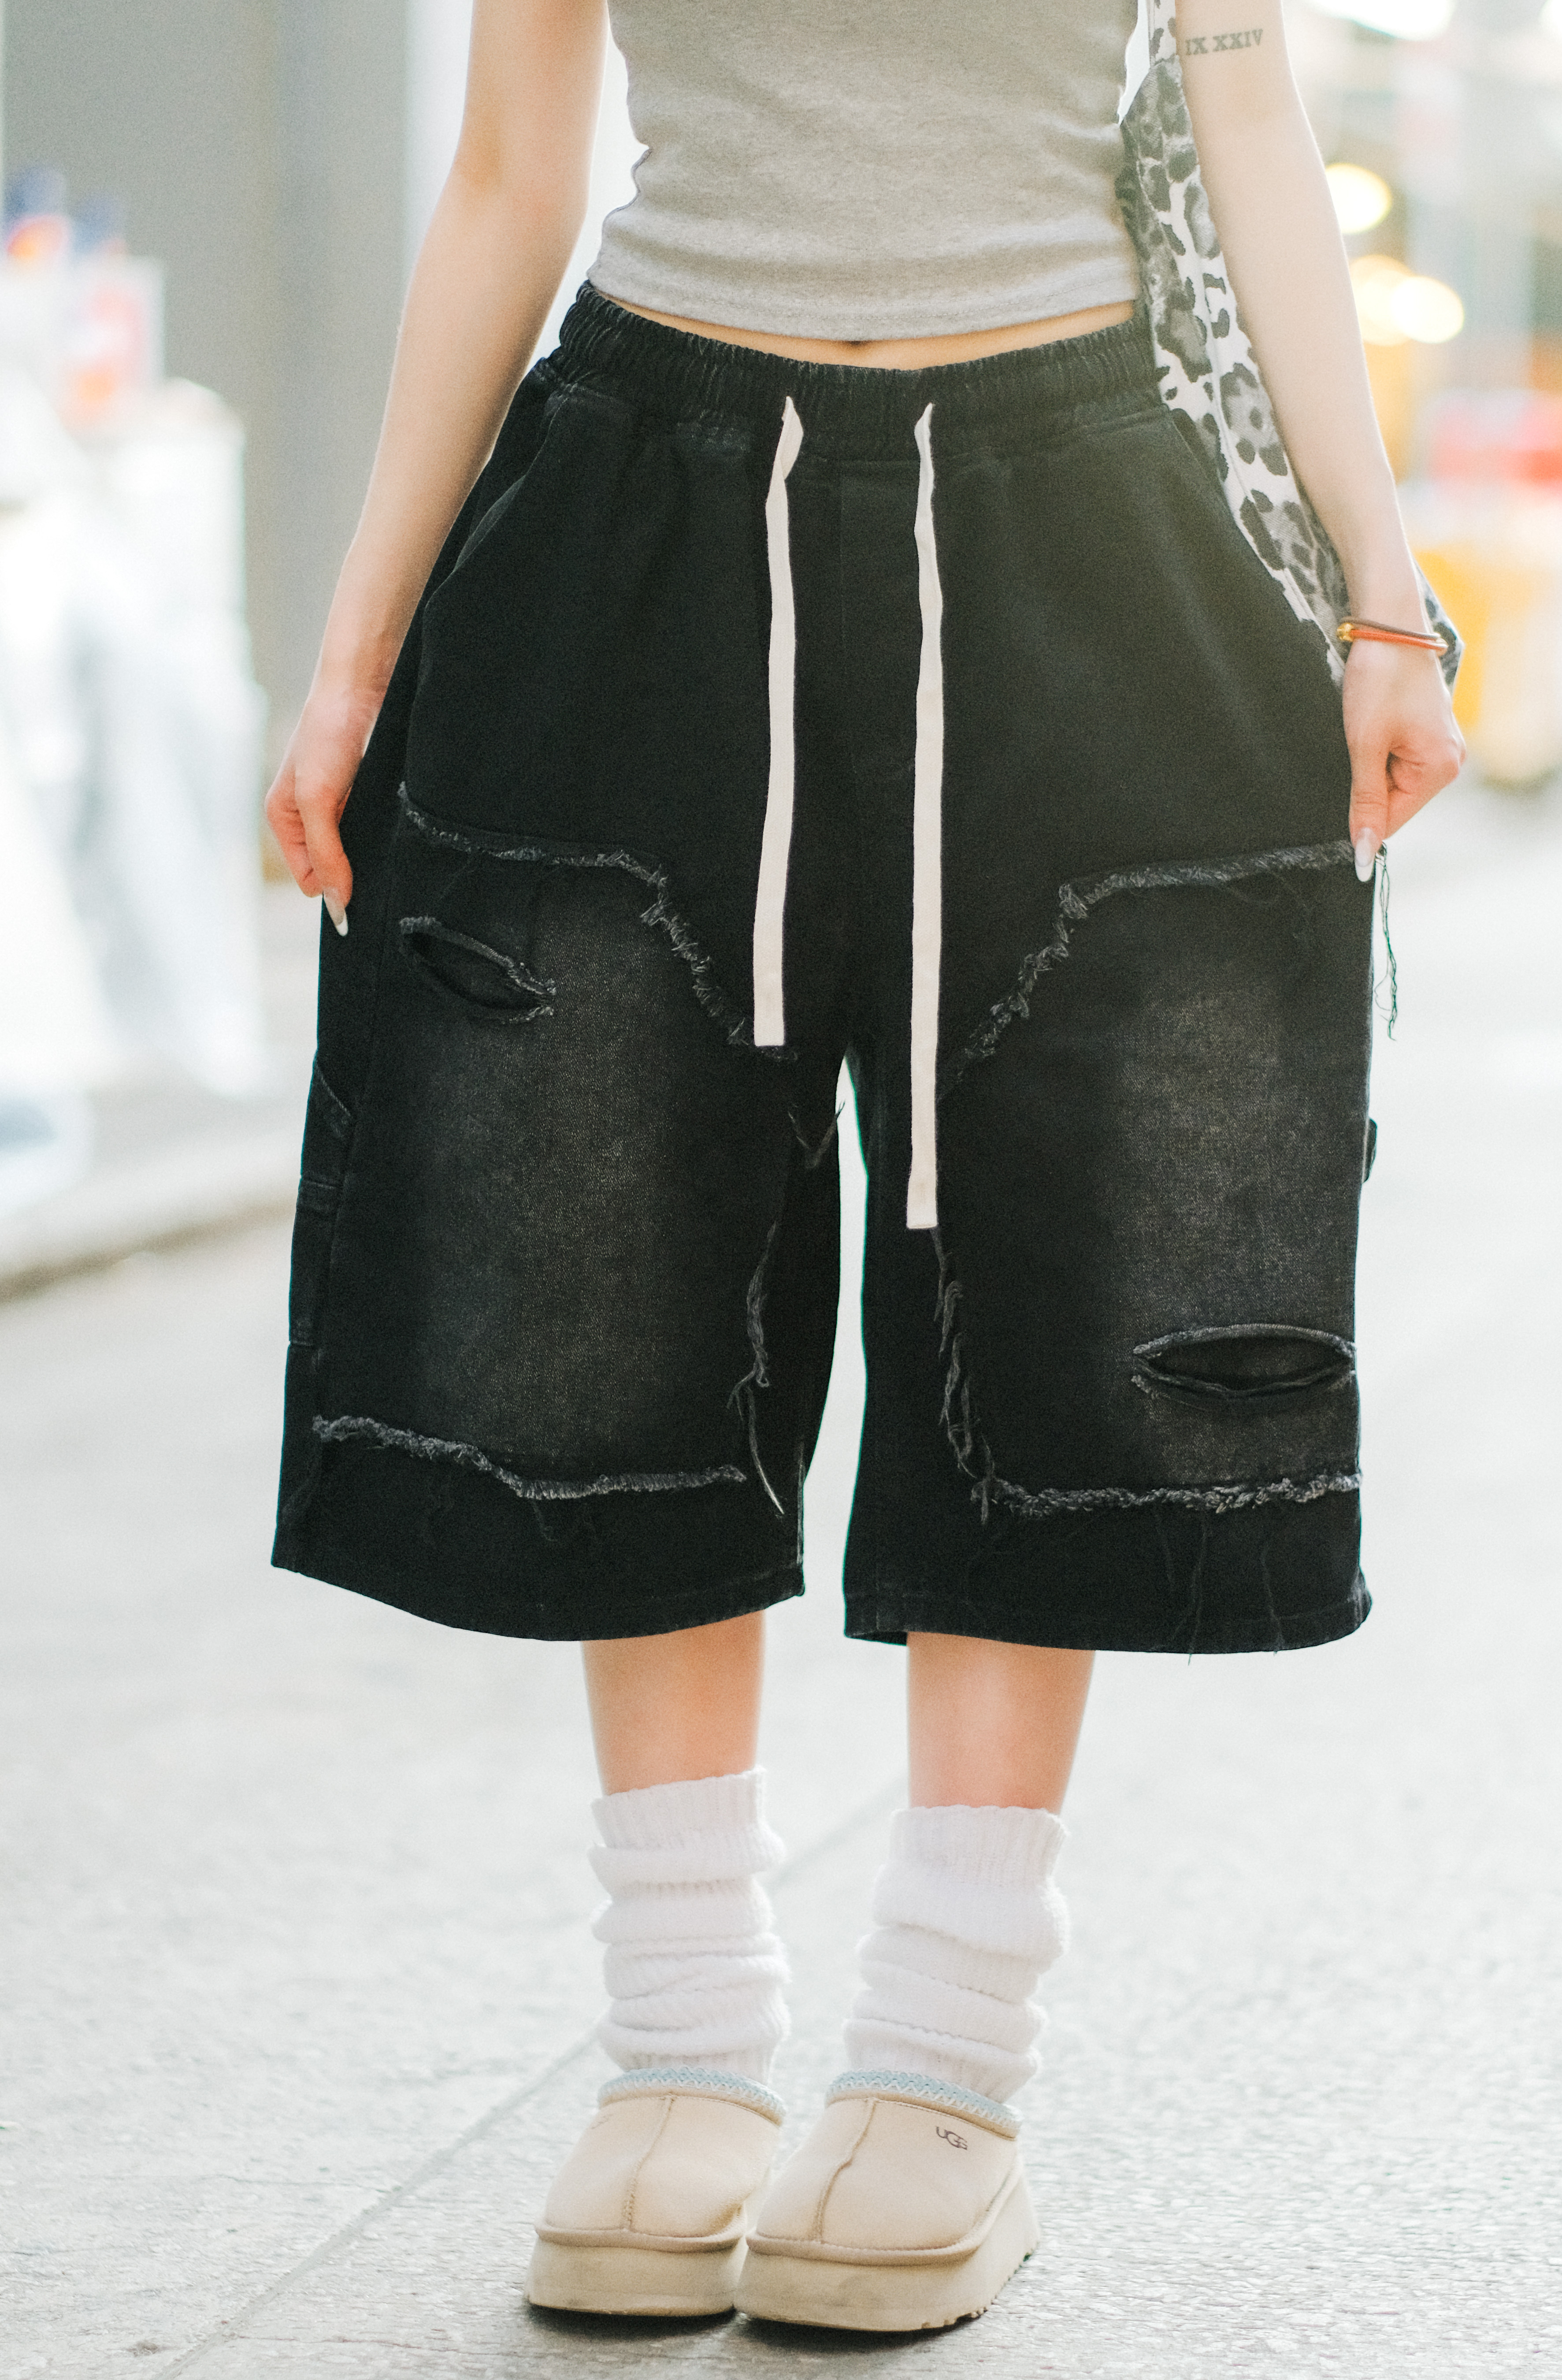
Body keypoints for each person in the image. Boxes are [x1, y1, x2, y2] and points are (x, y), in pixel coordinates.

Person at [265, 0, 1465, 2334]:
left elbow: (1248, 121)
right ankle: (682, 2040)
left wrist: (1379, 591)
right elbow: (509, 170)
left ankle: (943, 2057)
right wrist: (354, 649)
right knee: (603, 1228)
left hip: (1077, 504)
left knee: (1060, 1238)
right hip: (643, 486)